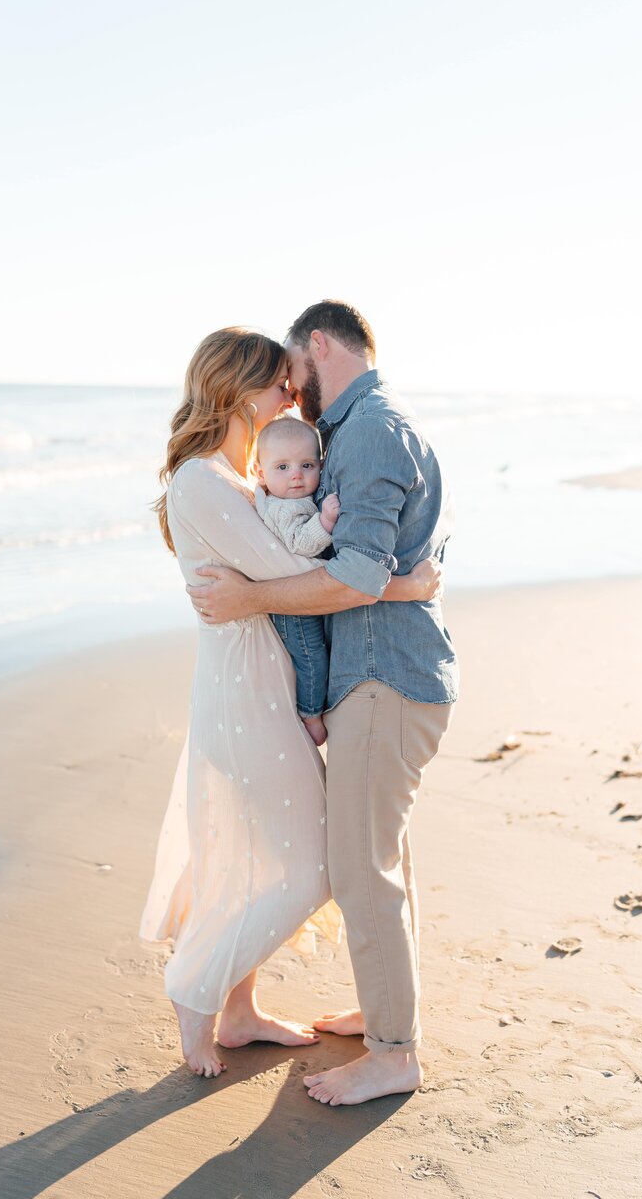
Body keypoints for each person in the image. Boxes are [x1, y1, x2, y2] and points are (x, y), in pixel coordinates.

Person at [139, 326, 442, 1080]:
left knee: (253, 849)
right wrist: (399, 584)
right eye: (278, 384)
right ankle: (195, 988)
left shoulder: (238, 478)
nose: (292, 397)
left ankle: (238, 1015)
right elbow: (287, 572)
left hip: (269, 682)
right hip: (245, 692)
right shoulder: (203, 482)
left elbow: (278, 578)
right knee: (310, 864)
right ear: (240, 391)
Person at [253, 416, 339, 746]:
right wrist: (326, 520)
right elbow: (300, 543)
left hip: (306, 593)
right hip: (293, 603)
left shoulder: (291, 496)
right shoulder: (283, 508)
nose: (296, 476)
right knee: (311, 656)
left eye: (306, 464)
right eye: (282, 467)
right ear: (261, 473)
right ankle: (310, 713)